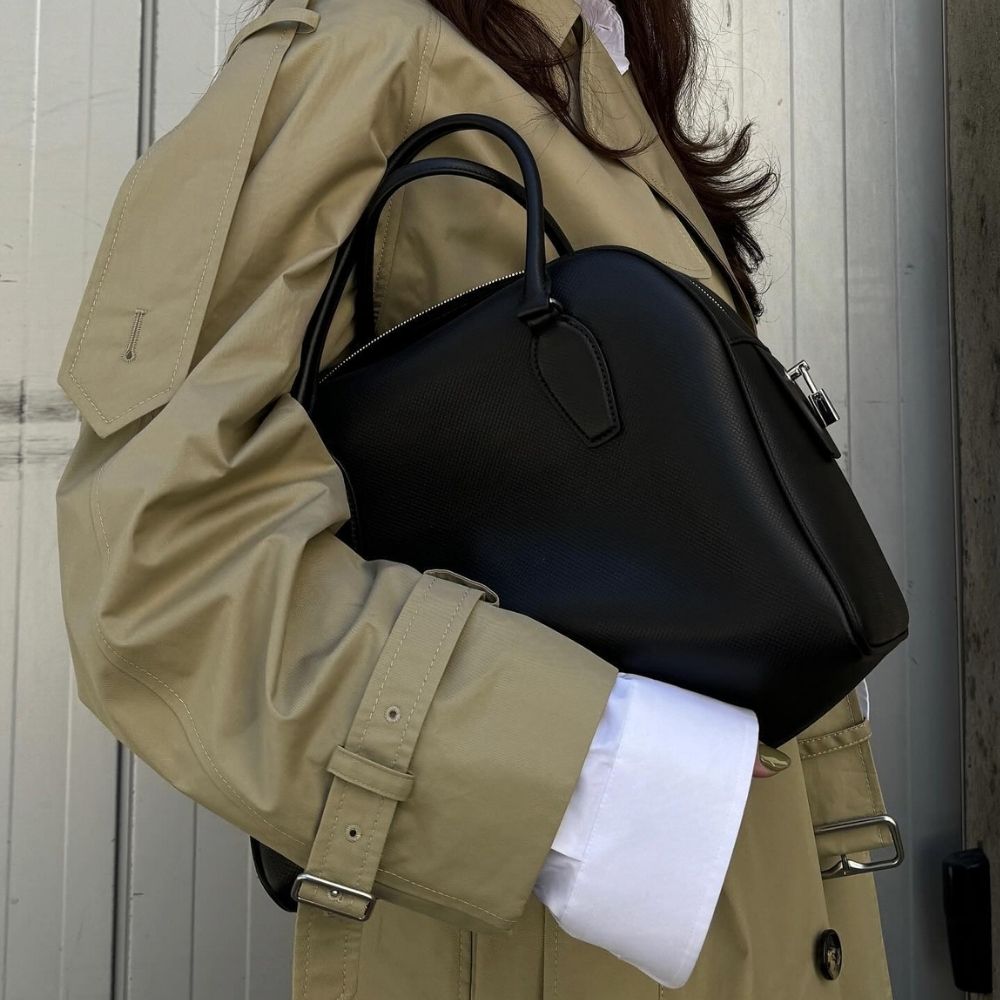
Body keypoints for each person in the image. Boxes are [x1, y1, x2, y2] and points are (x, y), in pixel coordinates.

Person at [52, 0, 896, 996]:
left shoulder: (589, 56)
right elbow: (166, 566)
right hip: (555, 944)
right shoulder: (361, 53)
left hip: (757, 910)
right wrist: (613, 771)